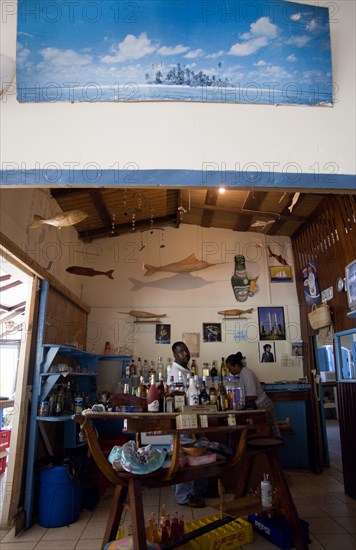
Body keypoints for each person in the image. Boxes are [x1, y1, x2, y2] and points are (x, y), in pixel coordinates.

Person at [170, 341, 208, 508]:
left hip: (193, 416)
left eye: (186, 350)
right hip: (183, 418)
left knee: (199, 451)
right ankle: (184, 496)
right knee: (184, 455)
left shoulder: (186, 371)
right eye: (181, 351)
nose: (185, 353)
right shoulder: (175, 372)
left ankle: (197, 491)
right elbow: (175, 398)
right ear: (175, 355)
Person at [225, 352, 281, 438]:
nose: (230, 371)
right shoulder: (241, 374)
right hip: (258, 405)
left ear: (236, 365)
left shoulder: (246, 373)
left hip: (262, 404)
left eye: (230, 368)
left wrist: (240, 403)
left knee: (271, 435)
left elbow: (252, 396)